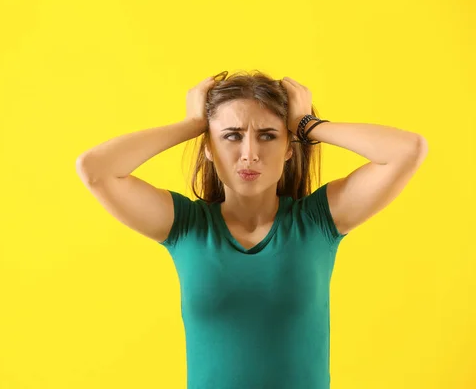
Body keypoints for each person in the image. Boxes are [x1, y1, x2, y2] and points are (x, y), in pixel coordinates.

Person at [76, 70, 428, 389]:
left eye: (267, 136)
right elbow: (95, 169)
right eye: (231, 136)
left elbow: (407, 150)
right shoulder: (185, 226)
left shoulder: (318, 221)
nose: (249, 154)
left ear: (289, 149)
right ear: (209, 148)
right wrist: (193, 124)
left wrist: (306, 124)